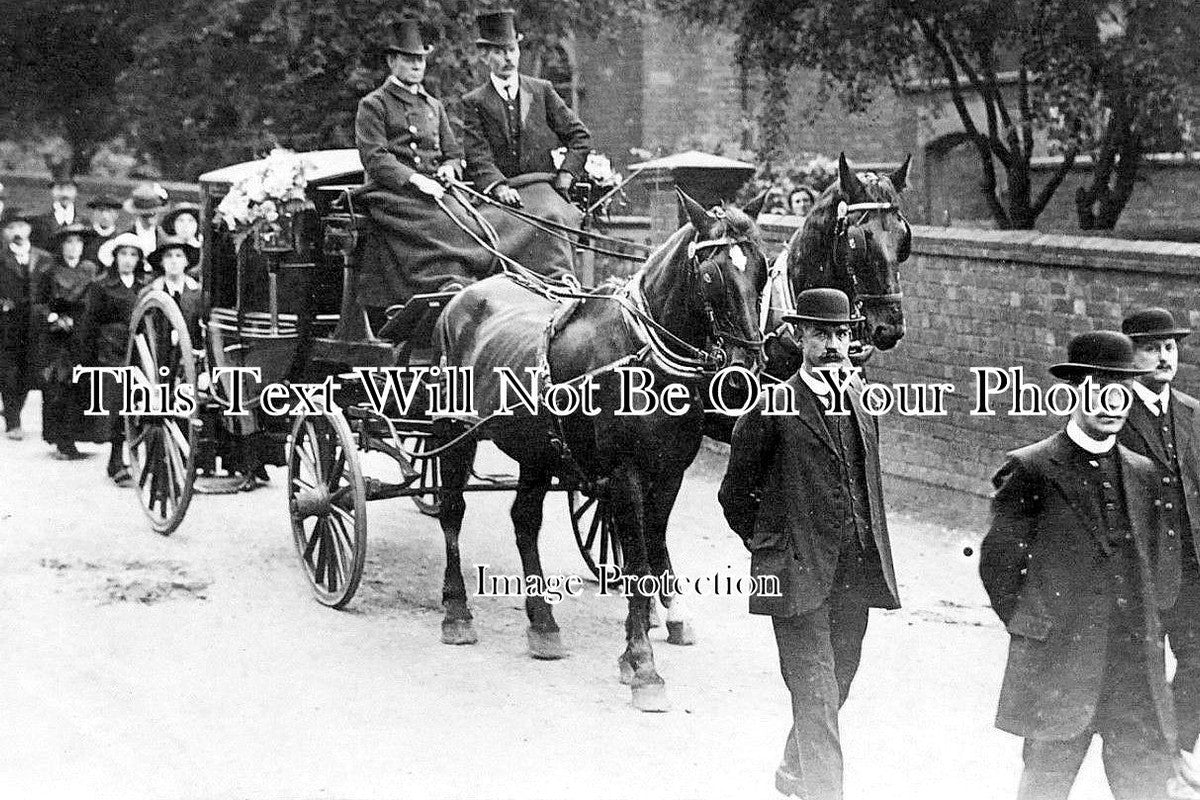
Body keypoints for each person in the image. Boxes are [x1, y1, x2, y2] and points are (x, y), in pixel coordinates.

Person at [718, 287, 901, 800]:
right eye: (822, 334)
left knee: (839, 679)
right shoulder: (772, 406)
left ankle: (795, 767)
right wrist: (772, 547)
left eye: (842, 334)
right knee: (816, 692)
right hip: (796, 574)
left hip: (855, 571)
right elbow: (734, 493)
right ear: (800, 338)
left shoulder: (866, 404)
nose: (834, 346)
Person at [980, 330, 1177, 800]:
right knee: (1044, 786)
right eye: (1097, 388)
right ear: (1073, 392)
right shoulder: (1032, 468)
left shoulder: (1143, 472)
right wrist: (1038, 625)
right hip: (1060, 670)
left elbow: (1154, 562)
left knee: (1147, 788)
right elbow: (999, 566)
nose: (1110, 403)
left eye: (1121, 390)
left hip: (1132, 674)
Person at [354, 18, 494, 309]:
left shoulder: (433, 105)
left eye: (420, 59)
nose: (417, 66)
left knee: (477, 226)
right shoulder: (374, 104)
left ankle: (466, 285)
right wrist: (416, 180)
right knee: (445, 227)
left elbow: (453, 153)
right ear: (392, 61)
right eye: (409, 59)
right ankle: (441, 288)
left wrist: (448, 168)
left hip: (436, 191)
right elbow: (375, 157)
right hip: (394, 194)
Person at [1117, 308, 1200, 798]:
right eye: (1151, 347)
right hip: (1142, 567)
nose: (1164, 356)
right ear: (1131, 355)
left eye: (1170, 346)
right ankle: (1152, 763)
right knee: (1143, 670)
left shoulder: (1192, 412)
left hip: (1191, 565)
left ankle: (1179, 749)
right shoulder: (1114, 409)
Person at [460, 9, 592, 281]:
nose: (508, 58)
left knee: (552, 216)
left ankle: (561, 282)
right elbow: (477, 155)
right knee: (484, 234)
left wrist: (566, 175)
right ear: (485, 57)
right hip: (502, 196)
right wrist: (497, 185)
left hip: (542, 186)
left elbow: (580, 136)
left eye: (511, 50)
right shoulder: (475, 102)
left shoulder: (541, 90)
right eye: (499, 52)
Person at [77, 233, 149, 485]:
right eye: (123, 254)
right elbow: (89, 323)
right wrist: (87, 359)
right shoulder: (100, 285)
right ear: (114, 257)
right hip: (111, 351)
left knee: (137, 405)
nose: (128, 260)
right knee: (116, 406)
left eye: (133, 255)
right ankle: (116, 460)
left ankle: (129, 458)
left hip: (140, 351)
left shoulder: (146, 286)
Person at [31, 222, 100, 459]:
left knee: (79, 386)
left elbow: (93, 303)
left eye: (78, 242)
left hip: (81, 333)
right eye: (69, 242)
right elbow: (38, 303)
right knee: (58, 386)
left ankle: (74, 437)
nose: (74, 247)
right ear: (61, 247)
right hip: (56, 338)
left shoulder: (90, 270)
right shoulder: (49, 271)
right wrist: (54, 318)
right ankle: (61, 440)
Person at [0, 211, 51, 440]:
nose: (17, 232)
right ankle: (13, 421)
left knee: (28, 372)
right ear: (4, 233)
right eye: (11, 228)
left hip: (35, 324)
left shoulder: (43, 258)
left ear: (29, 230)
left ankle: (14, 411)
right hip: (7, 325)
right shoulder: (1, 258)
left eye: (21, 226)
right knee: (8, 372)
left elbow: (50, 290)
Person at [122, 182, 170, 264]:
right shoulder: (126, 236)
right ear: (138, 214)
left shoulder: (163, 237)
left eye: (155, 213)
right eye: (146, 215)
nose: (152, 218)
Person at [30, 173, 80, 250]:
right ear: (52, 191)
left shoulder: (83, 221)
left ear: (76, 192)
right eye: (60, 189)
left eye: (69, 189)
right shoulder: (38, 219)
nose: (64, 194)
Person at [82, 194, 124, 265]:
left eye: (109, 211)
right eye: (100, 210)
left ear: (116, 215)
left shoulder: (120, 238)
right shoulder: (85, 235)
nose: (105, 215)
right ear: (94, 213)